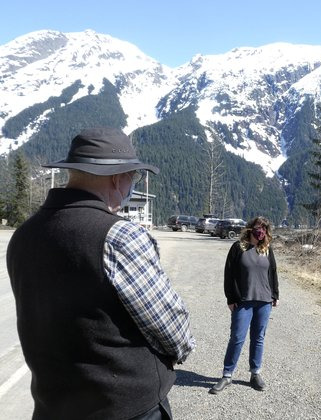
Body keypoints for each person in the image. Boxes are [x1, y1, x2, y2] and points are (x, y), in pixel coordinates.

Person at [7, 127, 196, 420]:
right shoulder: (119, 237)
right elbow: (174, 332)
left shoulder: (24, 235)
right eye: (133, 177)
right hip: (125, 408)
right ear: (118, 178)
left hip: (52, 407)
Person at [210, 216, 279, 394]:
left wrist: (275, 294)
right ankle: (227, 375)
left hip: (264, 301)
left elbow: (273, 272)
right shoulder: (238, 247)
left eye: (264, 228)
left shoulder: (266, 248)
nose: (261, 231)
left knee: (258, 338)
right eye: (258, 228)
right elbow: (229, 274)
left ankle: (255, 374)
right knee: (237, 338)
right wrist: (231, 298)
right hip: (243, 302)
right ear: (250, 229)